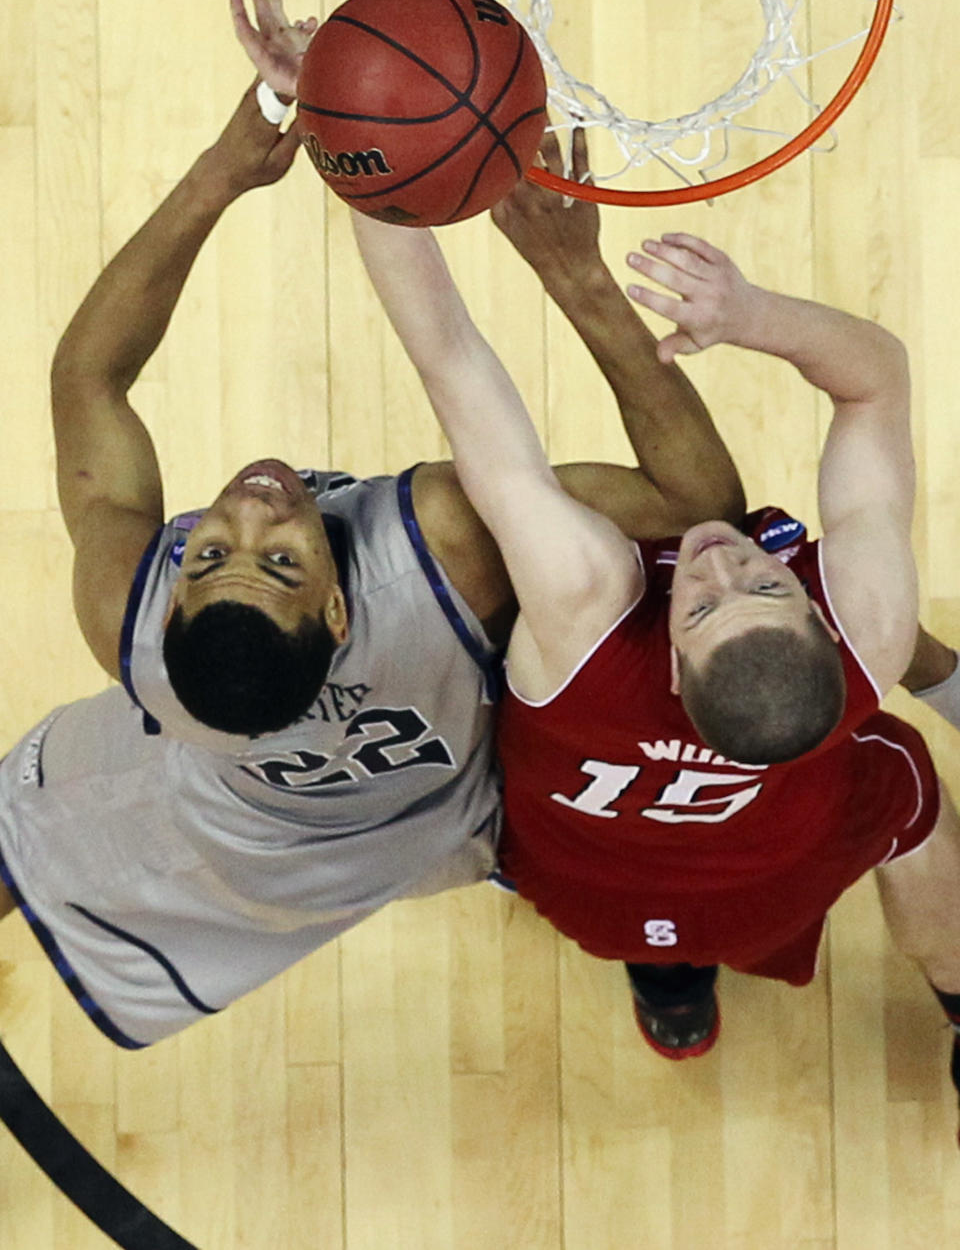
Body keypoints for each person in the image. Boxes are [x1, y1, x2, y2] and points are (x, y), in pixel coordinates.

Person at [0, 0, 743, 1049]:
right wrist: (578, 280)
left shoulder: (134, 617)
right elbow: (698, 505)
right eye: (287, 560)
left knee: (28, 827)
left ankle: (666, 969)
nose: (255, 508)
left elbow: (89, 377)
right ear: (343, 613)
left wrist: (225, 171)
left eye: (209, 551)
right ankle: (668, 972)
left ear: (166, 620)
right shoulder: (441, 547)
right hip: (451, 819)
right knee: (619, 817)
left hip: (242, 831)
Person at [350, 215, 960, 1138]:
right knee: (904, 784)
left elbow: (453, 367)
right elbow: (875, 384)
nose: (719, 561)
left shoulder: (584, 605)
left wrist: (372, 170)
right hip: (768, 892)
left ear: (671, 663)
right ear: (819, 618)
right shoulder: (870, 630)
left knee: (638, 915)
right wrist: (748, 312)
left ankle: (670, 997)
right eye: (762, 583)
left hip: (573, 883)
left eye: (707, 605)